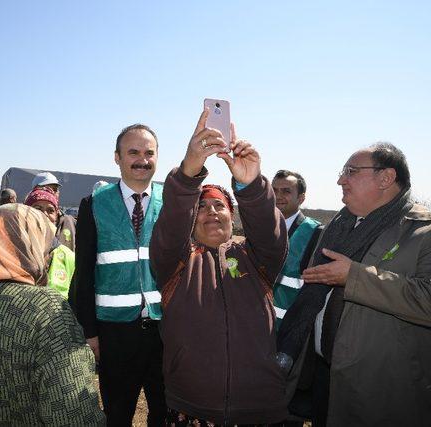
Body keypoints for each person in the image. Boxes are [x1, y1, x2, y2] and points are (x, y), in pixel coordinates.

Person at [150, 110, 288, 426]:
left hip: (259, 409)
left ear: (232, 214)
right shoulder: (176, 262)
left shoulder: (255, 259)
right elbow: (170, 228)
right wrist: (189, 170)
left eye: (219, 205)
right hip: (193, 408)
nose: (211, 211)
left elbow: (270, 232)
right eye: (200, 206)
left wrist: (251, 183)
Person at [278, 143, 431, 426]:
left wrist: (355, 277)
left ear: (385, 178)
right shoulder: (340, 223)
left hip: (380, 392)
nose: (340, 179)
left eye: (351, 171)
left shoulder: (422, 232)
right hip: (322, 374)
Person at [0, 204, 105, 425]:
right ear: (27, 249)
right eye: (45, 249)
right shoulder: (47, 310)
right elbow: (73, 412)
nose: (46, 258)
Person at [71, 123, 166, 426]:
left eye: (149, 153)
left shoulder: (173, 202)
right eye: (133, 152)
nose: (142, 159)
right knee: (118, 414)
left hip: (165, 332)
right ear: (117, 157)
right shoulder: (94, 204)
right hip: (114, 334)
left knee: (165, 414)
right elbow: (83, 273)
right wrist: (90, 332)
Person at [271, 170, 323, 328]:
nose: (278, 196)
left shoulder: (316, 233)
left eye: (286, 191)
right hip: (255, 325)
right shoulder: (259, 228)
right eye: (274, 190)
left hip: (289, 329)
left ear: (301, 198)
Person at [24, 187, 75, 299]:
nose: (44, 214)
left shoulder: (69, 257)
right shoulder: (12, 251)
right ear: (25, 214)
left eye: (50, 210)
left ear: (56, 217)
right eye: (37, 209)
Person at [31, 171, 77, 251]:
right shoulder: (23, 223)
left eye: (55, 190)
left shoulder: (70, 222)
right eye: (46, 189)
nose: (51, 192)